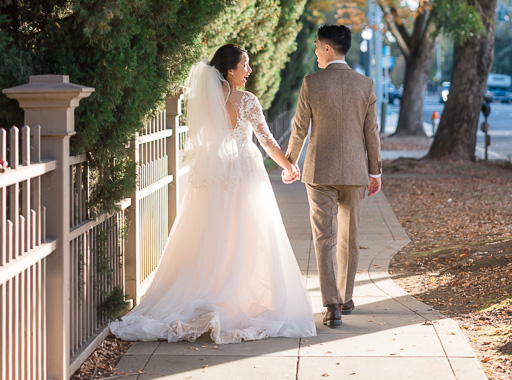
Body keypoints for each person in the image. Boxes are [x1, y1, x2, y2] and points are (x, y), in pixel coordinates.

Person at [110, 44, 316, 344]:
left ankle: (213, 289)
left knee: (213, 233)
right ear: (230, 70)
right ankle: (235, 298)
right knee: (248, 233)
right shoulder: (246, 100)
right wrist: (288, 166)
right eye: (245, 64)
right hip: (244, 171)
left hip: (216, 174)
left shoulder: (207, 101)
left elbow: (204, 139)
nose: (249, 70)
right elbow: (267, 140)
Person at [283, 24, 382, 327]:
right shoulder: (365, 84)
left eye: (316, 47)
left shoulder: (312, 82)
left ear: (327, 48)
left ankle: (331, 305)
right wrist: (374, 170)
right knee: (349, 237)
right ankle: (346, 297)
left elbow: (299, 128)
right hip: (355, 172)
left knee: (324, 238)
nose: (314, 52)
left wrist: (290, 163)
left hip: (319, 171)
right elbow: (371, 132)